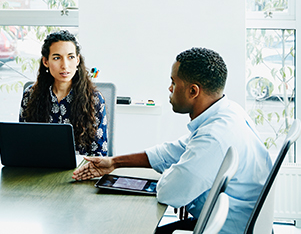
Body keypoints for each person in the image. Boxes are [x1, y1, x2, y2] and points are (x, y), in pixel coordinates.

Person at [72, 47, 272, 234]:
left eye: (174, 83)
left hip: (230, 229)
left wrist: (177, 173)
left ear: (193, 91)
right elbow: (174, 151)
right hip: (231, 221)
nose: (170, 88)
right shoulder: (228, 112)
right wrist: (114, 162)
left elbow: (171, 193)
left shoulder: (215, 137)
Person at [19, 30, 108, 156]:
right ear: (46, 62)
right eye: (56, 58)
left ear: (77, 60)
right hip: (40, 169)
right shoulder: (30, 96)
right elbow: (23, 143)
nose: (65, 65)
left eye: (71, 57)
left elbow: (99, 153)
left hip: (80, 171)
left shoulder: (94, 99)